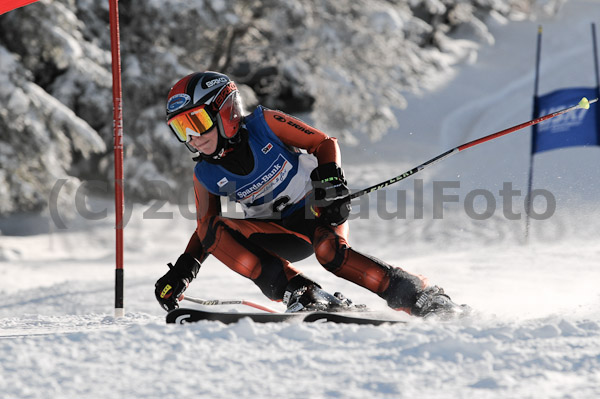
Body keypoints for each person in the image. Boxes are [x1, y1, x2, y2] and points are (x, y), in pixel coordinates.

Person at [154, 71, 464, 317]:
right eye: (182, 129)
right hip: (275, 232)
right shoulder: (206, 174)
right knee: (213, 226)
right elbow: (205, 230)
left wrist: (329, 181)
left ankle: (419, 294)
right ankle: (303, 293)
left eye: (197, 122)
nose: (193, 138)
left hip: (315, 210)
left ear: (225, 112)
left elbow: (323, 143)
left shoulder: (265, 125)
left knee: (331, 254)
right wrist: (184, 270)